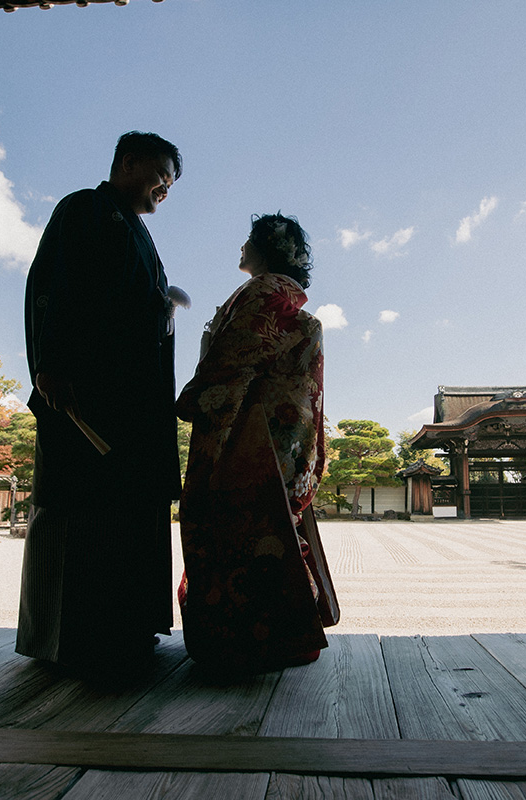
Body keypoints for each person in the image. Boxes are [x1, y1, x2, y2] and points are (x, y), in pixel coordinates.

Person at [17, 131, 183, 676]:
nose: (166, 186)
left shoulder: (140, 233)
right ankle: (65, 637)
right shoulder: (83, 209)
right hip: (85, 392)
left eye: (172, 182)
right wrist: (49, 364)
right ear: (128, 161)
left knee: (129, 511)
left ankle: (127, 627)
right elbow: (50, 285)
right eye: (161, 173)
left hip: (134, 402)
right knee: (75, 507)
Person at [176, 213, 338, 675]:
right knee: (272, 530)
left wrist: (195, 396)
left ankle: (249, 640)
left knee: (240, 528)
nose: (241, 248)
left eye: (248, 240)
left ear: (267, 246)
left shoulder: (263, 292)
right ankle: (284, 634)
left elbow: (234, 357)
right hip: (279, 433)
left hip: (253, 434)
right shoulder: (279, 296)